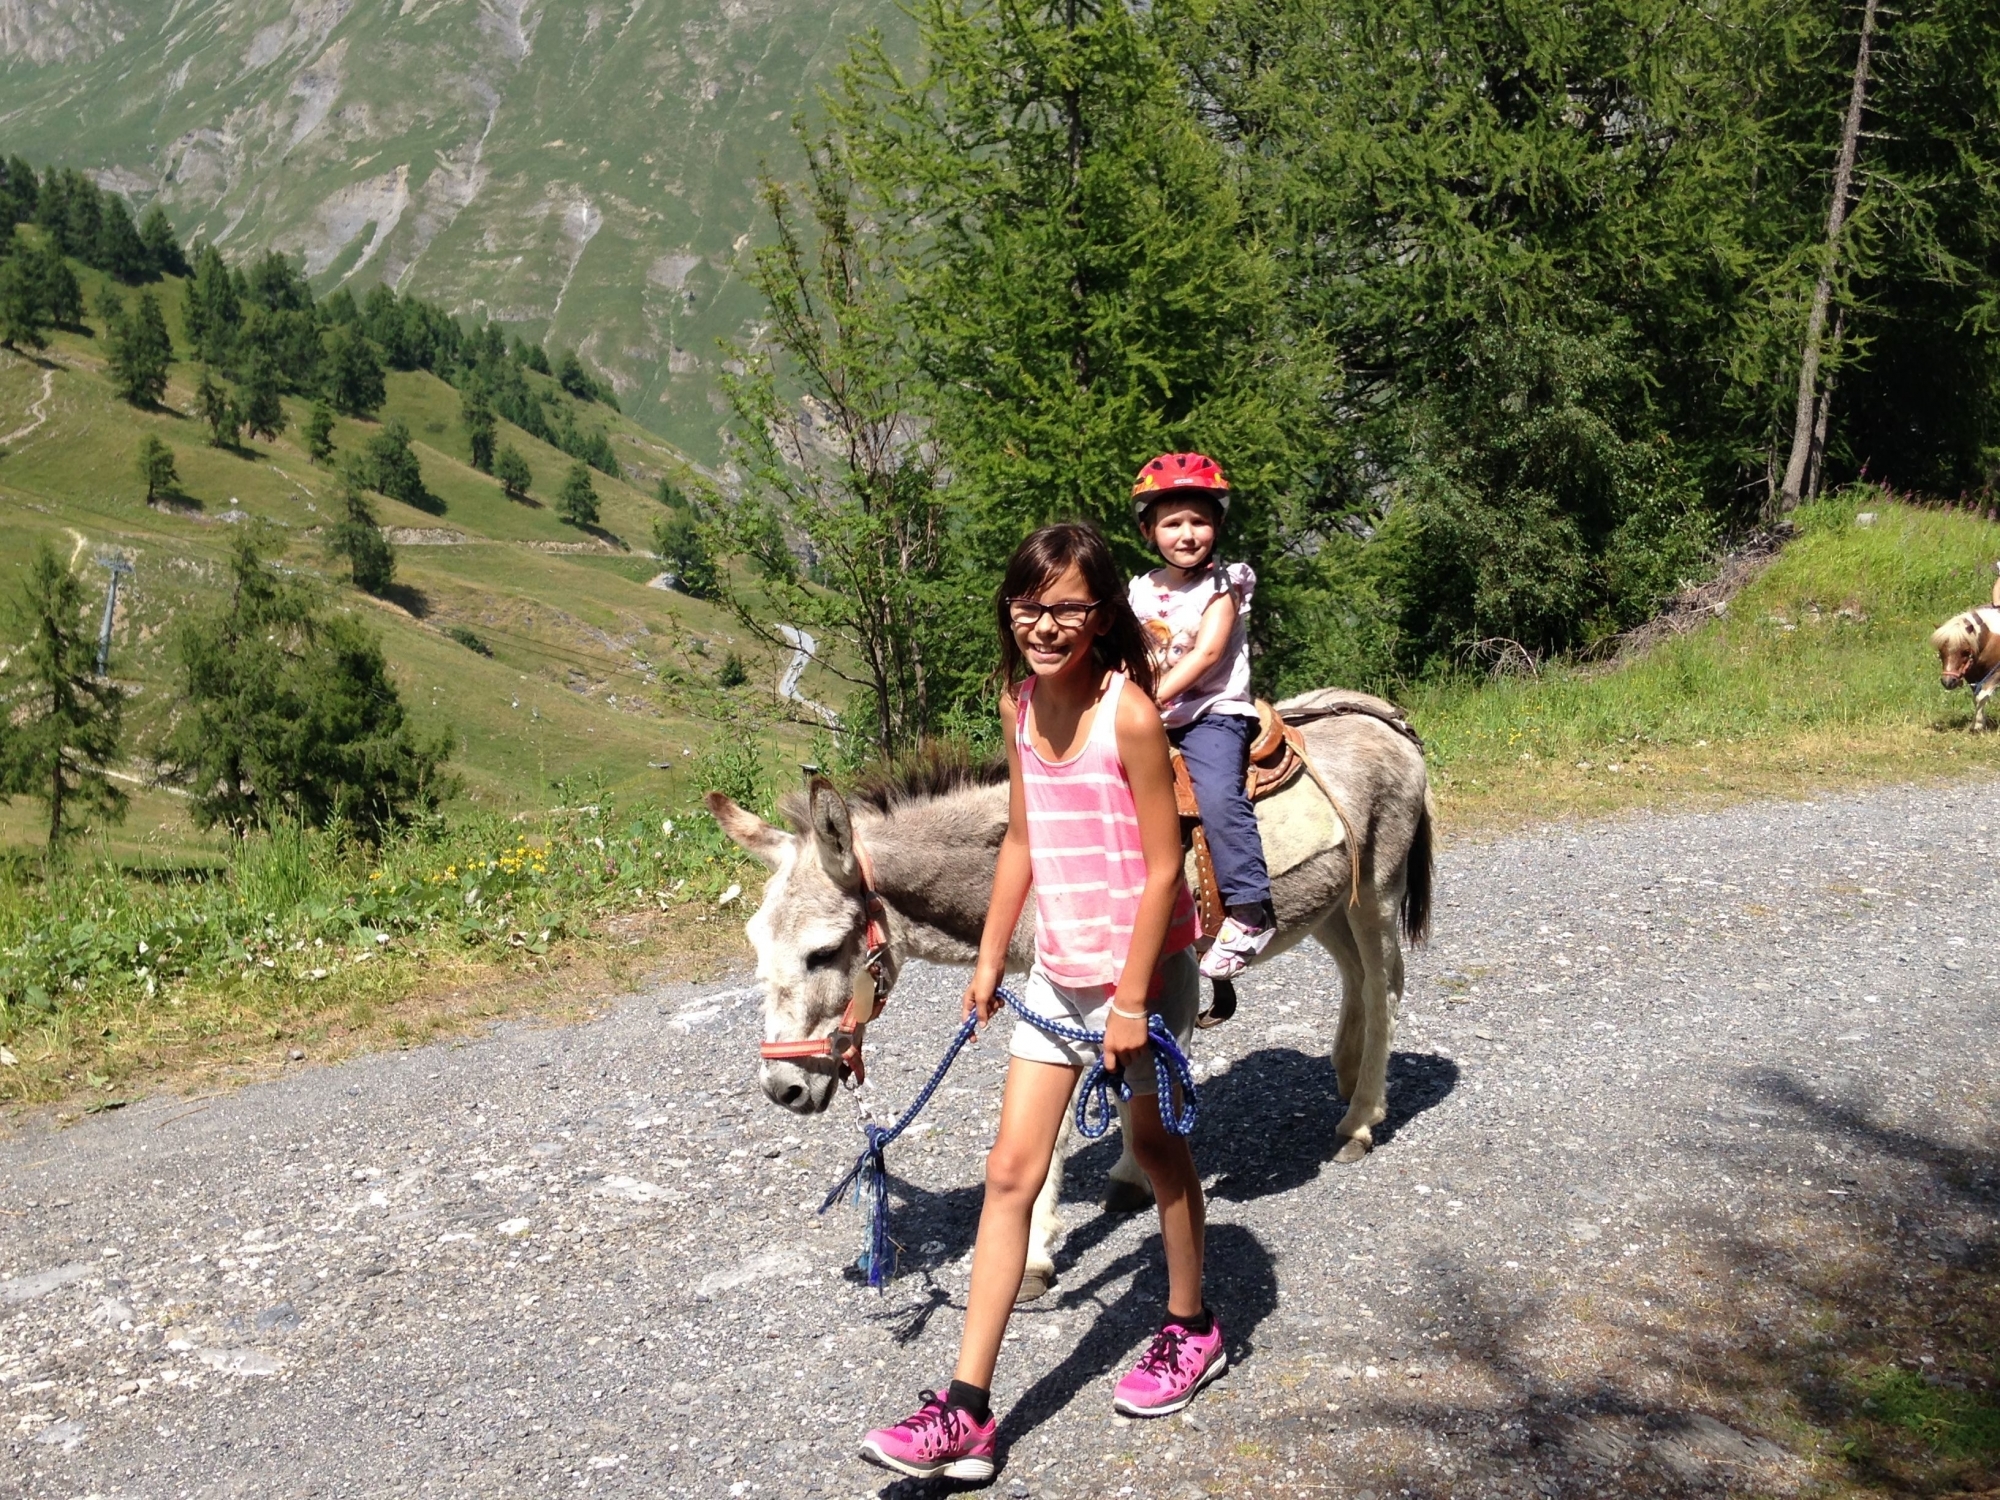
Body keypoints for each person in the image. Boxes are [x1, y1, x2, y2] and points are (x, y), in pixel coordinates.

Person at [859, 522, 1223, 1483]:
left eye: (1067, 607)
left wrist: (1133, 1000)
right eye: (1030, 604)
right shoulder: (1022, 707)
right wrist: (989, 962)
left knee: (1152, 1147)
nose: (1046, 624)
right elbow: (1022, 841)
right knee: (1011, 1172)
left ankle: (1193, 1324)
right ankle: (967, 1412)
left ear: (1101, 615)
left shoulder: (1130, 716)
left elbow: (1161, 871)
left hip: (1144, 972)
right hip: (1057, 973)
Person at [1126, 452, 1274, 979]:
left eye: (1199, 520)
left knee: (1217, 794)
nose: (1187, 534)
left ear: (1217, 525)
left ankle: (1251, 909)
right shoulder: (1141, 590)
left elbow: (1207, 654)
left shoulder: (1223, 584)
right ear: (1149, 530)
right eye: (1172, 523)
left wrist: (1151, 695)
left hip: (1212, 712)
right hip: (1154, 712)